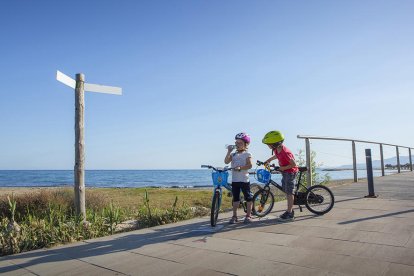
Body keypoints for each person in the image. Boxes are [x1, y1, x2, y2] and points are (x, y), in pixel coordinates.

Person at [262, 130, 298, 221]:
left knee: (289, 193)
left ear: (275, 143)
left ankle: (290, 213)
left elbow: (293, 164)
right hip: (285, 172)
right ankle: (291, 209)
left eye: (269, 144)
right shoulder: (276, 149)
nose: (268, 146)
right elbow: (277, 156)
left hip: (290, 173)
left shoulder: (286, 152)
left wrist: (283, 168)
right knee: (286, 190)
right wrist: (269, 160)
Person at [224, 132, 253, 223]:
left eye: (240, 143)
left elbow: (250, 165)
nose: (238, 145)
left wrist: (240, 168)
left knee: (248, 197)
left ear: (246, 144)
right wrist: (229, 151)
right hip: (235, 180)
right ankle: (234, 216)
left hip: (244, 180)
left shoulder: (247, 154)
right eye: (236, 143)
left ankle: (248, 215)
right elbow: (226, 161)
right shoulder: (233, 154)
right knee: (235, 198)